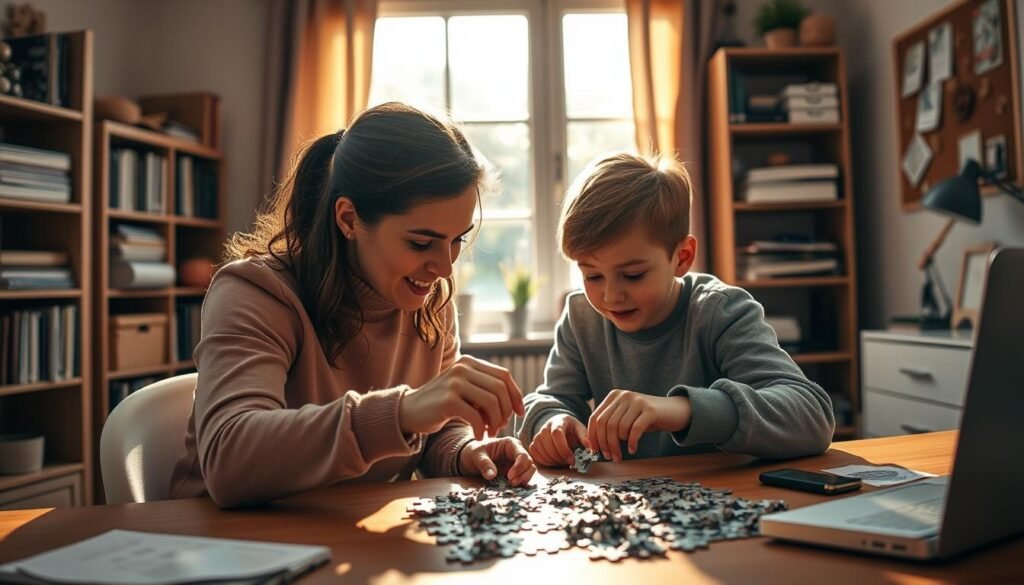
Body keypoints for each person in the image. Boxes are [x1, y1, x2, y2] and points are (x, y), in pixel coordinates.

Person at [169, 102, 535, 508]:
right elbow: (230, 458)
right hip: (225, 545)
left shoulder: (429, 302)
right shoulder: (254, 292)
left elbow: (434, 432)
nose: (445, 267)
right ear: (348, 219)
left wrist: (464, 452)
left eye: (458, 240)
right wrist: (401, 412)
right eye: (420, 242)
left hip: (347, 542)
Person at [517, 152, 834, 467]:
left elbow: (812, 416)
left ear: (682, 257)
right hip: (625, 505)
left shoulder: (720, 312)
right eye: (592, 276)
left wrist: (679, 410)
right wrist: (553, 419)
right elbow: (550, 398)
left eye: (633, 275)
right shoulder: (581, 316)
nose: (611, 296)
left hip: (725, 500)